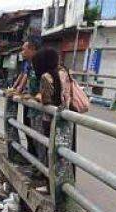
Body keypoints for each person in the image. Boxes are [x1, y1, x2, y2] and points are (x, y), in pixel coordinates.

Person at [30, 47, 72, 192]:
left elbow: (46, 100)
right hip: (66, 117)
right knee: (63, 153)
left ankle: (51, 186)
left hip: (51, 119)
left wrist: (38, 97)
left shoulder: (46, 77)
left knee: (51, 152)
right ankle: (63, 185)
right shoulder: (64, 73)